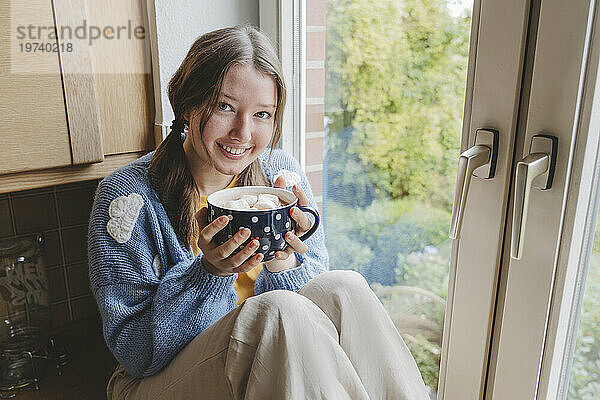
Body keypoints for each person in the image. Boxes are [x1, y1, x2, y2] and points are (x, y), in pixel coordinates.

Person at [88, 25, 429, 400]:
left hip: (268, 358)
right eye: (225, 107)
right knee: (278, 311)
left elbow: (309, 326)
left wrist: (283, 265)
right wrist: (209, 273)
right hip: (157, 380)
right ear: (188, 104)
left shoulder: (281, 175)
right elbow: (136, 354)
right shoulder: (129, 197)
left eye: (263, 114)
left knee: (343, 286)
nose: (243, 132)